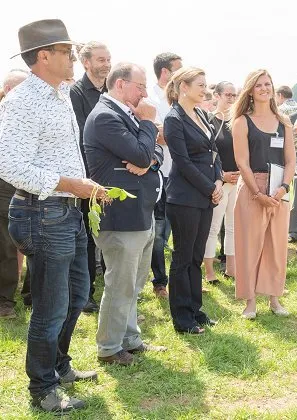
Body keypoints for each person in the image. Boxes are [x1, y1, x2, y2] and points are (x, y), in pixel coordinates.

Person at [0, 19, 106, 413]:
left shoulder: (59, 94)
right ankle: (42, 387)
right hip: (41, 212)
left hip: (65, 210)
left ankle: (59, 366)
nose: (72, 58)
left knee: (78, 295)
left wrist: (82, 187)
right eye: (66, 52)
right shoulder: (23, 101)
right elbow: (8, 164)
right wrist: (70, 184)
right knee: (50, 306)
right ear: (43, 57)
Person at [84, 62, 166, 365]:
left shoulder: (125, 114)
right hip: (120, 216)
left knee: (134, 283)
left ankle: (130, 339)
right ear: (120, 84)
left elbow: (152, 153)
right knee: (120, 283)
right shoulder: (106, 116)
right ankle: (109, 347)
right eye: (140, 86)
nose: (145, 93)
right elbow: (144, 149)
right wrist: (147, 126)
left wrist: (147, 160)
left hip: (140, 212)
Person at [232, 69, 296, 319]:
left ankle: (274, 298)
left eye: (268, 84)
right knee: (249, 245)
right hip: (252, 187)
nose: (264, 88)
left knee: (276, 245)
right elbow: (242, 163)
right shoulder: (241, 122)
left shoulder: (284, 122)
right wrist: (258, 193)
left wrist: (283, 188)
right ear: (250, 89)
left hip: (280, 188)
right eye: (259, 85)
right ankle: (249, 301)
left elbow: (291, 160)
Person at [164, 67, 222, 333]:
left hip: (206, 195)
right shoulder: (173, 118)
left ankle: (195, 310)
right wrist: (211, 186)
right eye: (200, 84)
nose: (205, 89)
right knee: (183, 258)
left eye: (205, 83)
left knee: (196, 257)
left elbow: (213, 151)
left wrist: (219, 179)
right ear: (183, 87)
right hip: (185, 197)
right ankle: (182, 318)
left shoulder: (201, 113)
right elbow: (183, 162)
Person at [70, 41, 111, 313]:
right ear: (86, 63)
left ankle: (112, 291)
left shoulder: (112, 91)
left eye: (108, 59)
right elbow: (84, 135)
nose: (106, 64)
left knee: (111, 236)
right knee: (87, 238)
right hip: (88, 178)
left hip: (113, 176)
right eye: (100, 59)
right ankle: (85, 295)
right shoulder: (75, 93)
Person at [147, 52, 183, 298]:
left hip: (180, 173)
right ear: (165, 72)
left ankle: (179, 279)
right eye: (178, 70)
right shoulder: (150, 97)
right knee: (159, 232)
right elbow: (156, 135)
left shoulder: (181, 98)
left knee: (175, 230)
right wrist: (181, 135)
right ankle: (160, 282)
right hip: (158, 173)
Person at [204, 81, 239, 283]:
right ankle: (209, 271)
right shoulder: (209, 122)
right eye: (228, 94)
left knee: (233, 227)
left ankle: (231, 269)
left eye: (234, 95)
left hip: (238, 180)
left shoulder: (238, 121)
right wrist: (221, 176)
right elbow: (207, 154)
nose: (231, 99)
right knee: (213, 227)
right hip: (219, 181)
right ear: (216, 96)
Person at [0, 69, 28, 319]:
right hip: (3, 184)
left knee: (10, 245)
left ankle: (6, 300)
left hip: (14, 187)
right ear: (8, 90)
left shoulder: (26, 118)